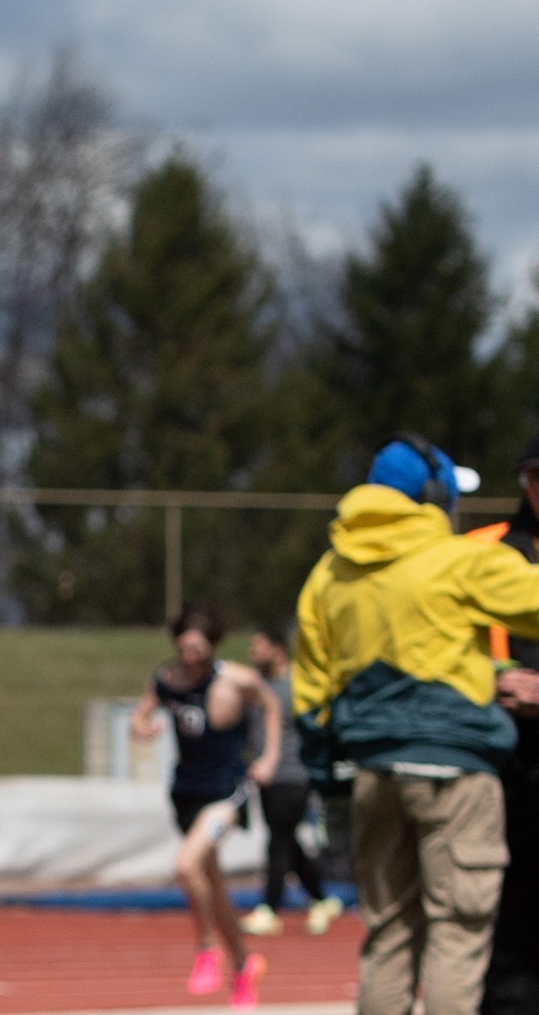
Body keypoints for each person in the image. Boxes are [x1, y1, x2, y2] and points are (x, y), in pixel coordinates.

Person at [291, 432, 539, 1015]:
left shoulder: (328, 573)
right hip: (456, 773)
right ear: (433, 495)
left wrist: (328, 775)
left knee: (388, 935)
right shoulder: (460, 560)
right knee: (458, 930)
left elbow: (311, 690)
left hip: (374, 774)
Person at [129, 605, 277, 1010]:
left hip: (226, 793)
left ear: (211, 645)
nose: (191, 655)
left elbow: (272, 704)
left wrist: (268, 757)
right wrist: (142, 728)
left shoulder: (236, 680)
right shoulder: (167, 680)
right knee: (213, 886)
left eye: (199, 648)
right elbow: (140, 713)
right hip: (186, 794)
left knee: (187, 866)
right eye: (185, 647)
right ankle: (245, 966)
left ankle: (207, 950)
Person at [466, 433, 539, 1014]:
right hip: (504, 765)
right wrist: (485, 680)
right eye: (534, 476)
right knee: (507, 917)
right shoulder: (483, 549)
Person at [238, 623, 342, 939]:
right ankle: (323, 899)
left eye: (259, 646)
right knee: (285, 839)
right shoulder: (255, 687)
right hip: (265, 776)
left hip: (295, 773)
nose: (252, 652)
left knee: (278, 839)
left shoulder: (297, 685)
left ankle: (270, 908)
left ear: (277, 649)